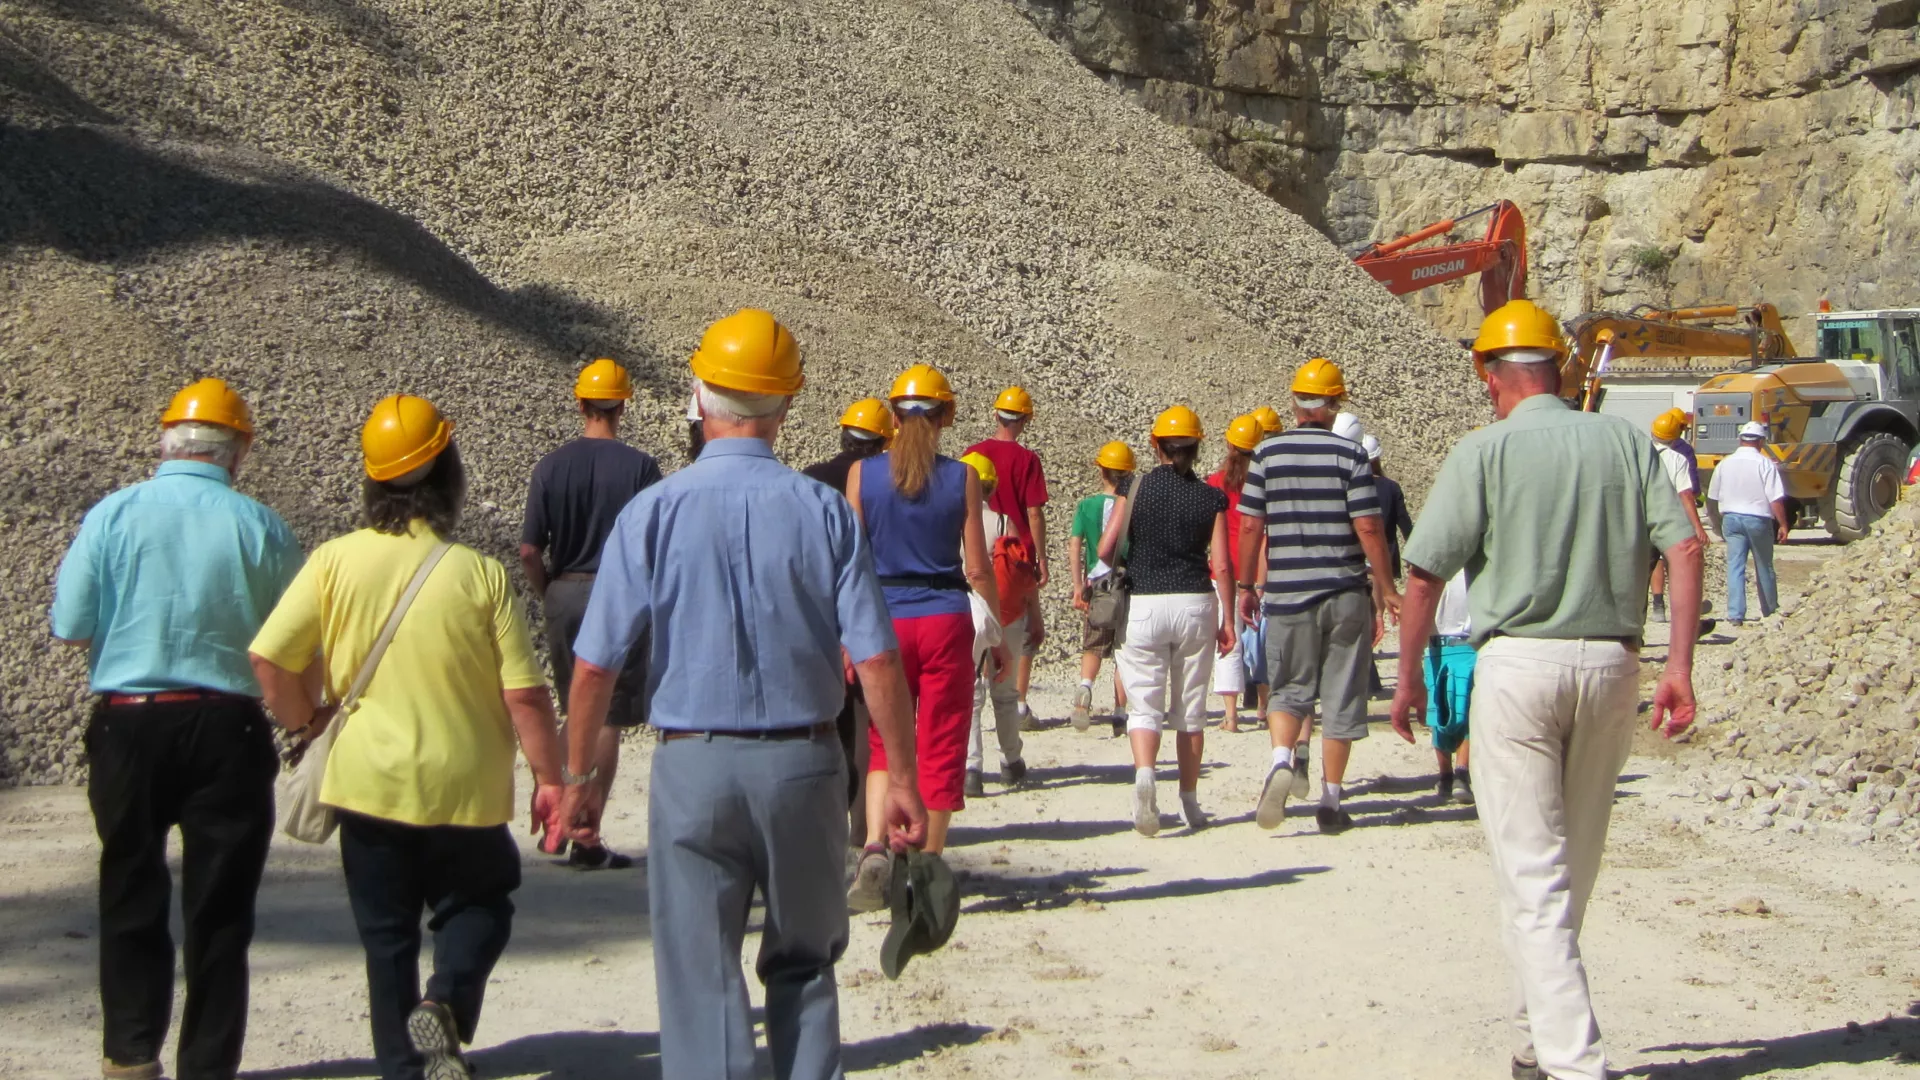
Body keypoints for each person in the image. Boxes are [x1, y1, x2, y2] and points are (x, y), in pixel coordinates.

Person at [555, 309, 928, 1080]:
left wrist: (576, 777)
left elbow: (593, 668)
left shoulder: (652, 512)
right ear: (787, 405)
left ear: (698, 396)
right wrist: (903, 778)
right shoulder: (826, 511)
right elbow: (877, 660)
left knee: (701, 979)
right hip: (805, 764)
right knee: (806, 963)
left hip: (692, 766)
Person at [1390, 298, 1703, 1080]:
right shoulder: (1626, 442)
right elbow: (1687, 547)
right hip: (1613, 666)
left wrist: (1409, 678)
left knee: (1533, 878)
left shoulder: (1482, 451)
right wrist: (1679, 668)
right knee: (1573, 872)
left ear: (1489, 375)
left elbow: (1424, 575)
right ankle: (1534, 1041)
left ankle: (1574, 1065)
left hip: (1519, 669)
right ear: (1560, 369)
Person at [249, 394, 568, 1080]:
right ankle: (445, 999)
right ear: (450, 474)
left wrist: (307, 723)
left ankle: (404, 1067)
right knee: (480, 903)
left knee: (387, 937)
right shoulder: (479, 574)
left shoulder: (334, 561)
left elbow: (269, 661)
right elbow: (524, 694)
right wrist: (550, 779)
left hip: (367, 781)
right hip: (465, 785)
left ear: (372, 482)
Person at [51, 379, 302, 1080]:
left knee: (129, 887)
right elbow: (293, 640)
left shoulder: (112, 514)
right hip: (228, 728)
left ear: (164, 443)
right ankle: (207, 1066)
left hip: (128, 723)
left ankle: (131, 1054)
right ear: (239, 450)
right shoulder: (261, 526)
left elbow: (71, 625)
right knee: (220, 909)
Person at [846, 362, 1006, 907]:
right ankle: (926, 865)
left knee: (883, 741)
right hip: (944, 619)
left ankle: (874, 847)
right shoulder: (962, 478)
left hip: (882, 619)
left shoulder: (862, 475)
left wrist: (846, 633)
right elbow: (978, 568)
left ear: (893, 417)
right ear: (945, 417)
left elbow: (850, 563)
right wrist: (996, 635)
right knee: (941, 742)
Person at [1237, 357, 1401, 835]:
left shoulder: (1266, 454)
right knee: (1341, 694)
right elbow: (1368, 527)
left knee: (1288, 688)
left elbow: (1250, 526)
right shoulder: (1351, 456)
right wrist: (1386, 587)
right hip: (1344, 591)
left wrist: (1247, 586)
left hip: (1288, 594)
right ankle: (1331, 799)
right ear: (1335, 404)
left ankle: (1280, 760)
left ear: (1294, 403)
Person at [517, 359, 662, 871]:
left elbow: (529, 551)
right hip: (617, 595)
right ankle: (586, 835)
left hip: (564, 592)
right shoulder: (641, 468)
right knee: (607, 716)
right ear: (623, 405)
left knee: (573, 707)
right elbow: (652, 543)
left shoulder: (550, 467)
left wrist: (549, 593)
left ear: (581, 403)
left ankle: (555, 816)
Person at [1100, 406, 1235, 835]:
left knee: (1145, 705)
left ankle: (1145, 777)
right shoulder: (1210, 497)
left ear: (1155, 444)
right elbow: (1222, 565)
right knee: (1191, 709)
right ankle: (1190, 802)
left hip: (1144, 602)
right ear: (1197, 447)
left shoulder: (1134, 487)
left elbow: (1105, 549)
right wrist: (1229, 620)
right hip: (1195, 602)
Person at [804, 396, 897, 815]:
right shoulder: (885, 485)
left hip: (816, 610)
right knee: (866, 716)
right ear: (883, 442)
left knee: (824, 710)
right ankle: (861, 818)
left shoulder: (810, 480)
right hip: (867, 606)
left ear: (843, 434)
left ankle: (825, 803)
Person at [965, 386, 1049, 727]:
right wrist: (1041, 558)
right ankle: (1018, 703)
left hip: (974, 549)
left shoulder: (973, 454)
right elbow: (1034, 513)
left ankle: (978, 694)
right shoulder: (1028, 460)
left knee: (979, 623)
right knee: (1021, 628)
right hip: (1014, 554)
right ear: (1025, 420)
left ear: (995, 414)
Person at [959, 451, 1022, 797]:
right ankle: (1011, 760)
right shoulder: (1002, 523)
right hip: (1001, 610)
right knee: (1005, 691)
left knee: (970, 693)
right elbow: (1020, 572)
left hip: (963, 610)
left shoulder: (950, 523)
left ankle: (971, 769)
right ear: (992, 487)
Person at [1068, 441, 1134, 731]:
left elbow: (1075, 545)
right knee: (1123, 647)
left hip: (1098, 583)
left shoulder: (1087, 506)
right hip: (1128, 581)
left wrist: (1077, 585)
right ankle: (1120, 711)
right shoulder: (1132, 506)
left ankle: (1084, 690)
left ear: (1102, 472)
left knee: (1093, 643)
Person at [1206, 414, 1262, 733]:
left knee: (1229, 638)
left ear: (1229, 444)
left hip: (1224, 569)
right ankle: (1264, 707)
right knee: (1263, 638)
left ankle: (1231, 715)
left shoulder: (1215, 483)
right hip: (1259, 568)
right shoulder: (1265, 482)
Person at [1706, 420, 1789, 626]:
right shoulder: (1765, 464)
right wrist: (1783, 524)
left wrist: (1716, 523)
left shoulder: (1725, 463)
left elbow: (1712, 497)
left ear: (1740, 440)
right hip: (1758, 519)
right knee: (1764, 566)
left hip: (1731, 518)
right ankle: (1770, 610)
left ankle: (1735, 614)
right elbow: (1775, 499)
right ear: (1761, 441)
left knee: (1735, 566)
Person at [1648, 410, 1710, 624]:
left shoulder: (1641, 454)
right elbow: (1686, 494)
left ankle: (1656, 607)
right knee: (1677, 562)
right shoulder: (1678, 458)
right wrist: (1698, 527)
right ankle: (1685, 613)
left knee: (1652, 564)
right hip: (1672, 519)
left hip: (1646, 518)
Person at [1424, 570, 1475, 805]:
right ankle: (1460, 774)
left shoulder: (1429, 569)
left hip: (1436, 646)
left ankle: (1446, 775)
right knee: (1469, 711)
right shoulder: (1475, 569)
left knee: (1438, 710)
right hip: (1468, 645)